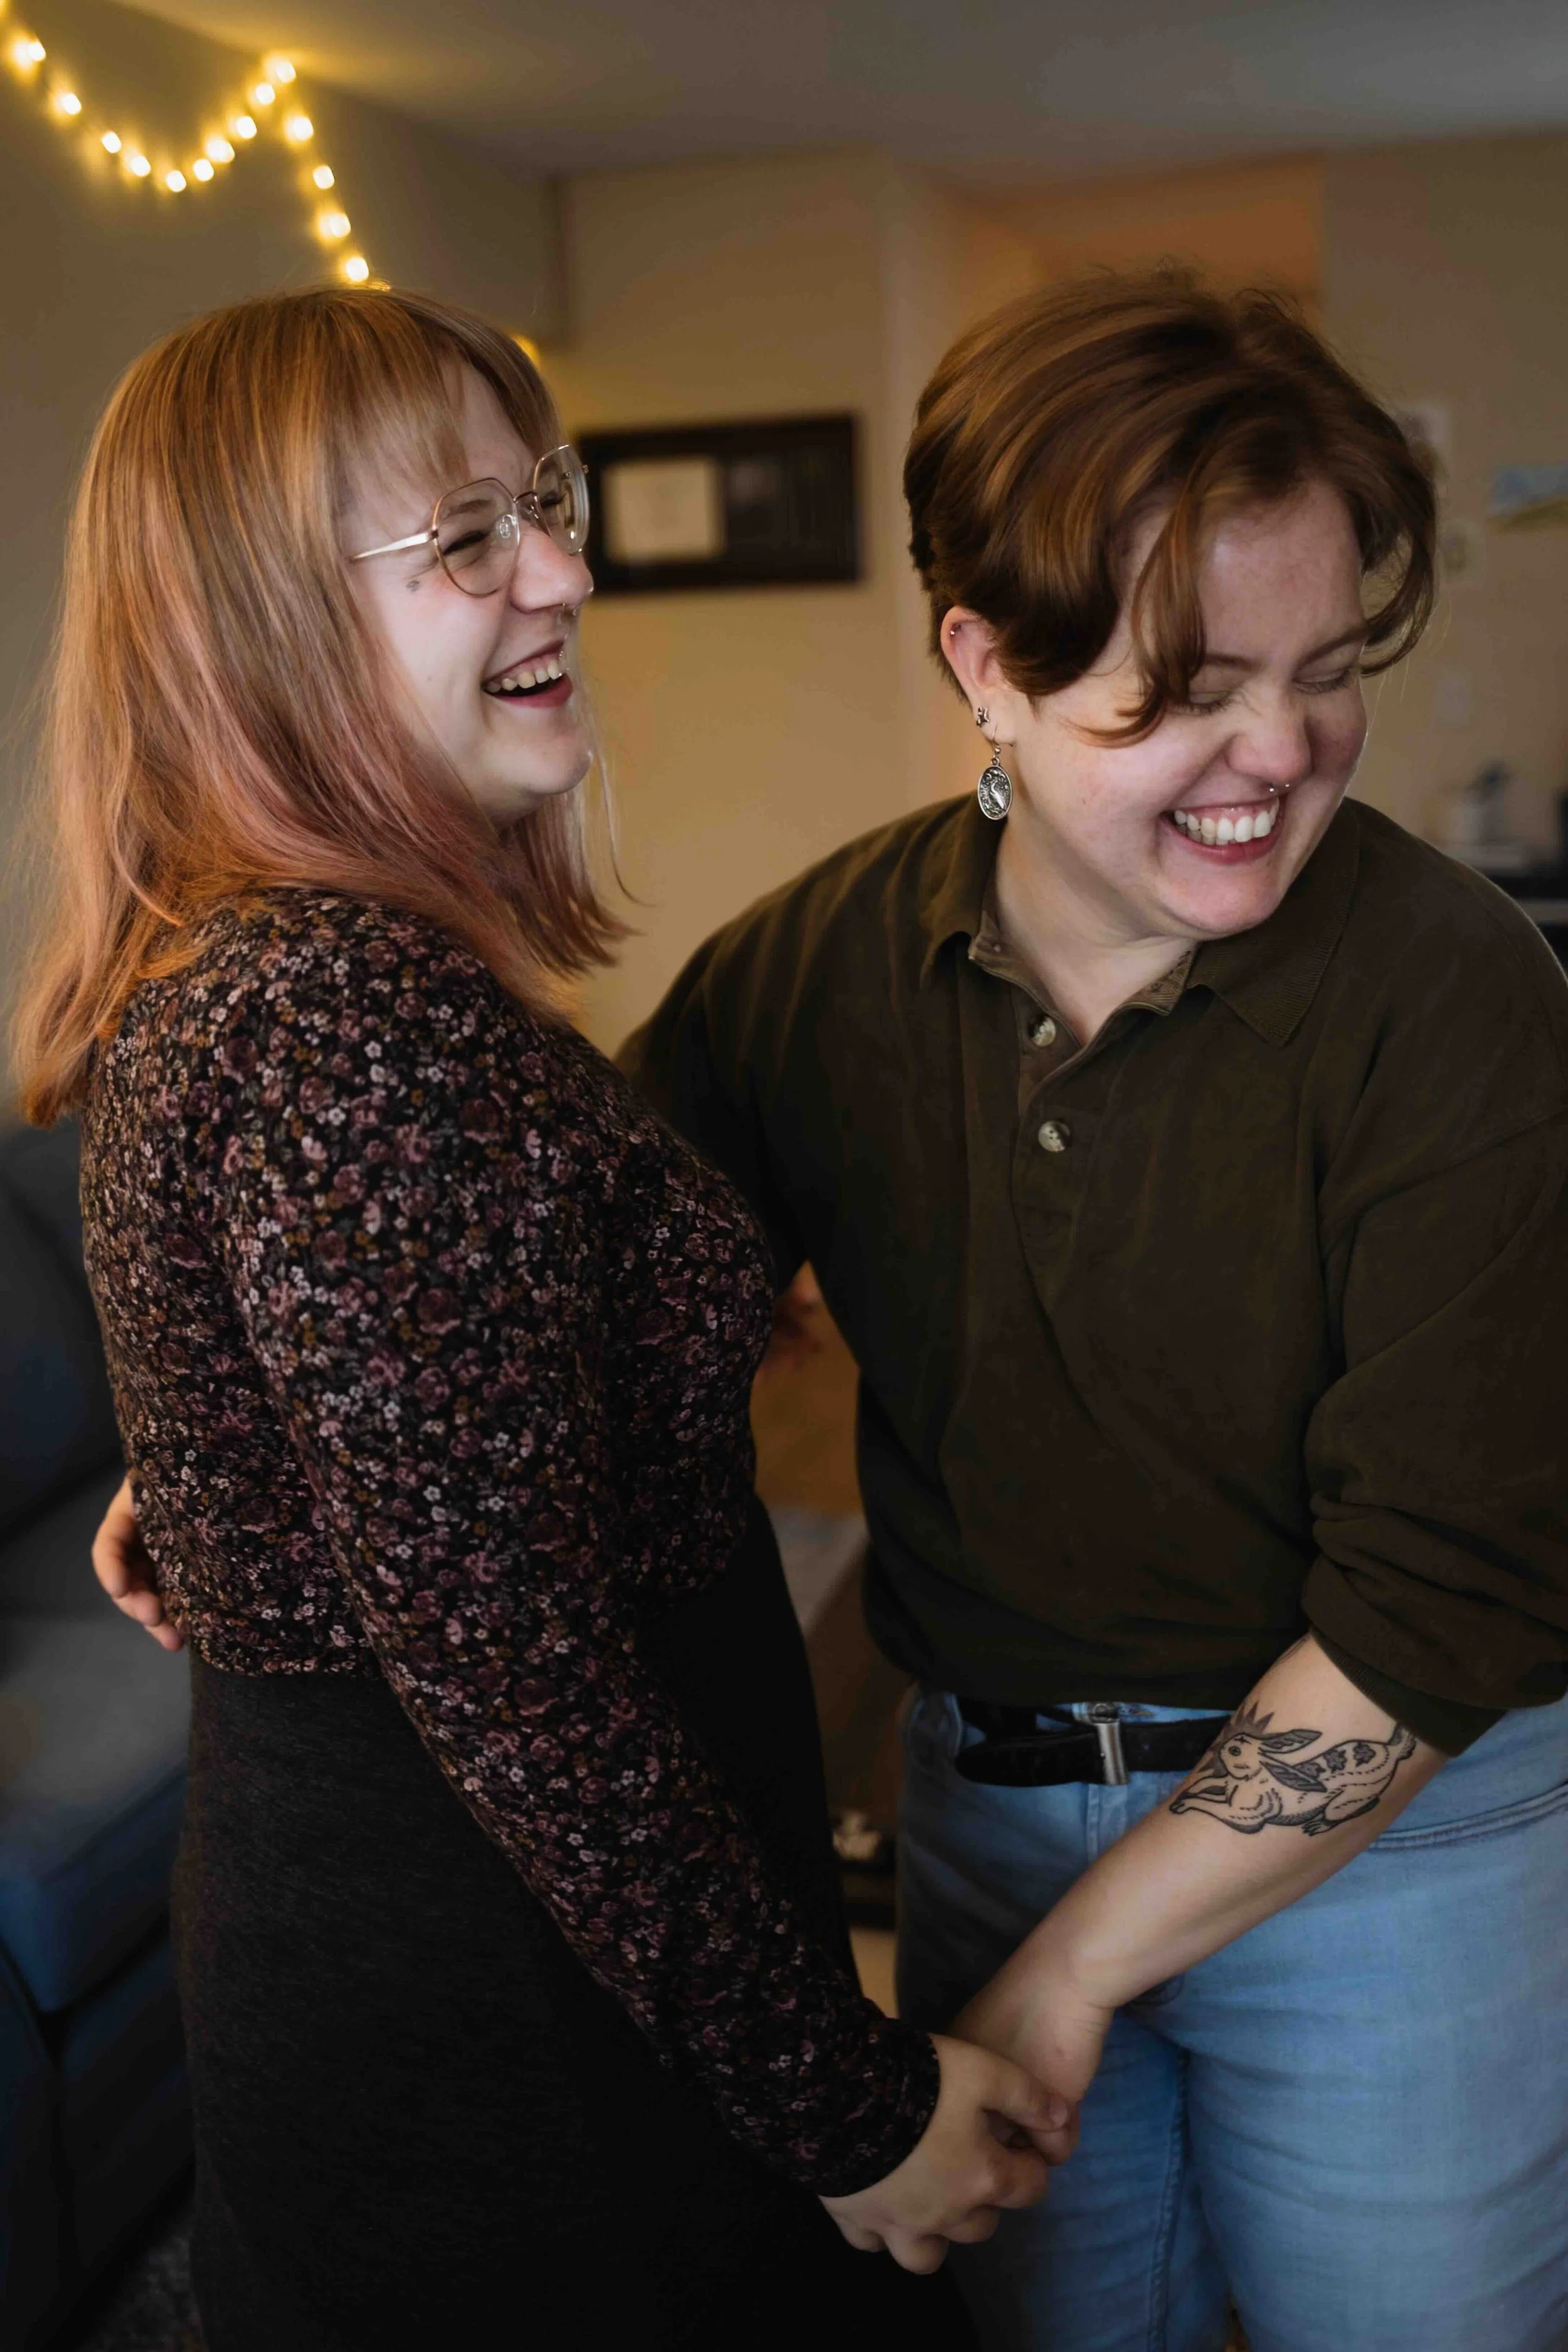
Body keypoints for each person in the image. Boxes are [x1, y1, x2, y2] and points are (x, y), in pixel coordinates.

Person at [17, 287, 1077, 2352]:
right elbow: (525, 1691)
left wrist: (238, 1462)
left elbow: (401, 1405)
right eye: (468, 537)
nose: (566, 571)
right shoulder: (340, 1015)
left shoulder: (261, 977)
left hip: (443, 1975)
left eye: (549, 504)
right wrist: (847, 2110)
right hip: (507, 2030)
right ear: (257, 619)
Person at [601, 275, 1567, 2351]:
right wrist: (245, 1437)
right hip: (989, 1803)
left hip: (1403, 1842)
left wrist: (1069, 1969)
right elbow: (545, 1287)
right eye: (1191, 688)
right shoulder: (808, 977)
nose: (1278, 752)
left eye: (1326, 672)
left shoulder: (1456, 990)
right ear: (984, 664)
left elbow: (1444, 1592)